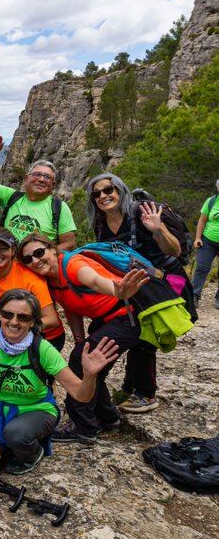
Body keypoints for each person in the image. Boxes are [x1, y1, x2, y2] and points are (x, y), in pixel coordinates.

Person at [0, 289, 119, 477]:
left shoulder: (42, 349)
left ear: (32, 322)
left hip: (35, 410)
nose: (14, 322)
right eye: (7, 314)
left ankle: (32, 452)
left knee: (16, 435)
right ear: (0, 316)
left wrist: (89, 376)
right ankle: (6, 442)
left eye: (23, 317)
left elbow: (81, 394)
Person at [18, 233, 149, 444]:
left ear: (53, 249)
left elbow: (96, 281)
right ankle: (107, 417)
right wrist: (79, 341)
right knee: (89, 360)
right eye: (27, 259)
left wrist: (117, 290)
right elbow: (71, 308)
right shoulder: (51, 279)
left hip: (126, 317)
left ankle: (82, 426)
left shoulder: (72, 266)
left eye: (39, 252)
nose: (35, 260)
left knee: (81, 360)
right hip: (107, 320)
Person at [85, 173, 194, 413]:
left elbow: (174, 251)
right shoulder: (101, 222)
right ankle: (130, 387)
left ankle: (145, 393)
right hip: (137, 285)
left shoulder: (141, 212)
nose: (103, 196)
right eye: (96, 194)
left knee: (145, 336)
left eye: (108, 190)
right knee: (134, 330)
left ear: (119, 190)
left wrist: (158, 230)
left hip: (165, 281)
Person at [0, 136, 77, 251]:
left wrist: (38, 257)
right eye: (37, 174)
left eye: (47, 177)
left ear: (53, 185)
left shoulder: (59, 208)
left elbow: (69, 244)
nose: (42, 179)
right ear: (26, 178)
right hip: (8, 265)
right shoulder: (11, 197)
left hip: (37, 266)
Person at [0, 228, 66, 350]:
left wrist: (23, 328)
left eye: (3, 248)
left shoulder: (30, 280)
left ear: (13, 251)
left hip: (48, 337)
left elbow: (52, 319)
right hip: (17, 333)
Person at [192, 178, 219, 310]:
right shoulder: (211, 201)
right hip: (209, 240)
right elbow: (202, 220)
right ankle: (194, 295)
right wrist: (198, 238)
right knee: (202, 267)